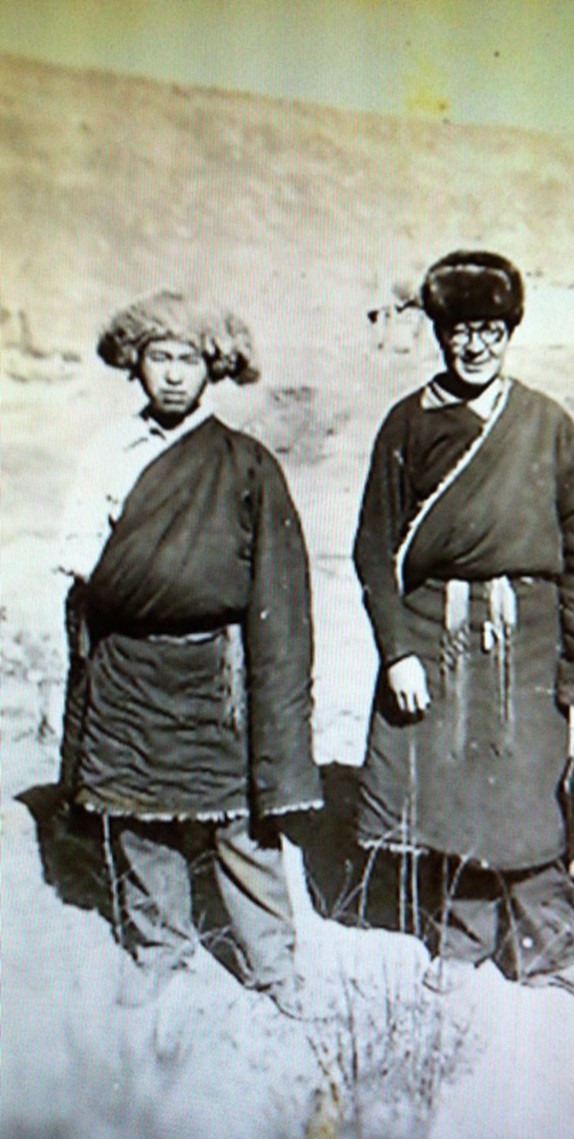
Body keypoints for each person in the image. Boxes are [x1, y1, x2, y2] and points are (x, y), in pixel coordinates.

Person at [353, 251, 574, 993]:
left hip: (530, 634)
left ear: (510, 334)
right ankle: (461, 940)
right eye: (459, 331)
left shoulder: (548, 424)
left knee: (532, 790)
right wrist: (396, 651)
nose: (474, 346)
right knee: (452, 786)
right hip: (435, 630)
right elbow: (372, 548)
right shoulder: (407, 423)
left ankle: (553, 950)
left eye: (490, 331)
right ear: (439, 335)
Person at [58, 290, 322, 1013]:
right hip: (129, 667)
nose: (173, 374)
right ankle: (159, 949)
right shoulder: (107, 455)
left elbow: (279, 587)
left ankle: (275, 967)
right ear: (135, 363)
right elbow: (82, 566)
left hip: (214, 671)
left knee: (240, 823)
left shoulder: (245, 463)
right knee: (138, 816)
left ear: (215, 369)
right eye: (159, 357)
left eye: (189, 360)